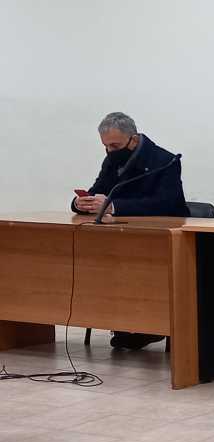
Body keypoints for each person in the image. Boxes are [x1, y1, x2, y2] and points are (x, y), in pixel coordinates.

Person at [72, 112, 188, 350]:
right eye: (105, 147)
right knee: (108, 266)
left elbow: (164, 203)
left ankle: (148, 327)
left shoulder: (165, 161)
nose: (109, 151)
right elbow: (98, 189)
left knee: (142, 269)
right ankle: (126, 324)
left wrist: (115, 206)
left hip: (162, 238)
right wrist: (80, 203)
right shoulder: (112, 159)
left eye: (114, 146)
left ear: (133, 139)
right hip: (124, 237)